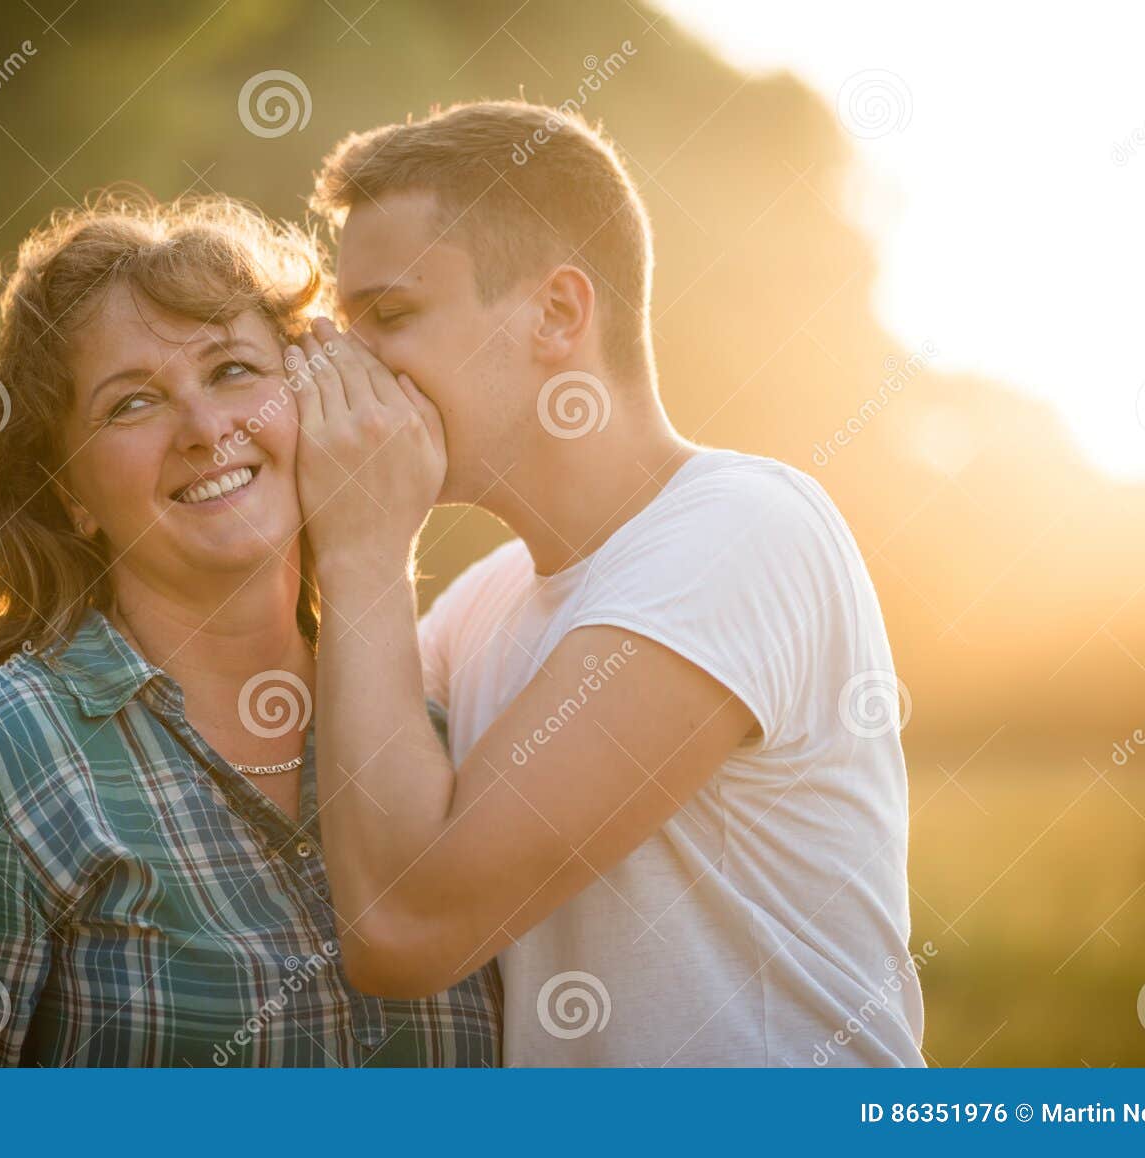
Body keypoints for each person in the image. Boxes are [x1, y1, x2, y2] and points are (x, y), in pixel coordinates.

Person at [285, 100, 924, 1066]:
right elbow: (348, 798)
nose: (350, 367)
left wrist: (366, 554)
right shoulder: (481, 605)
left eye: (392, 316)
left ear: (557, 313)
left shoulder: (743, 533)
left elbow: (404, 927)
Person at [0, 193, 500, 1067]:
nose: (207, 430)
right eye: (132, 405)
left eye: (233, 373)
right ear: (69, 492)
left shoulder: (442, 735)